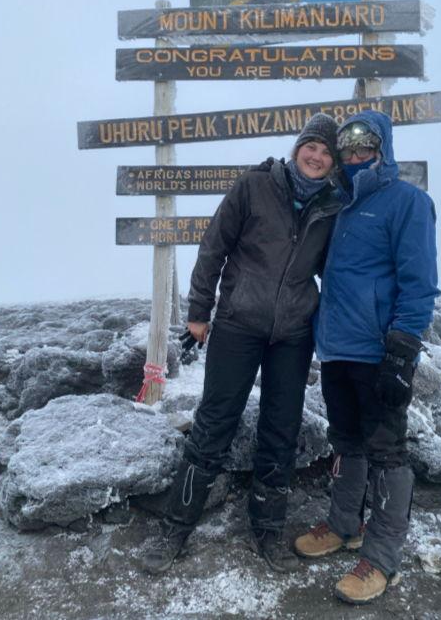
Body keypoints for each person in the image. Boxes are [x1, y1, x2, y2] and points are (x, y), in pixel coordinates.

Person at [141, 114, 343, 575]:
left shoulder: (333, 207)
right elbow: (214, 245)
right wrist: (198, 312)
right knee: (214, 423)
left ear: (333, 164)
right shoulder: (254, 186)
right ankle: (176, 527)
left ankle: (268, 531)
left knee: (281, 428)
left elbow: (335, 271)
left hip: (293, 333)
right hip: (237, 323)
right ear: (298, 148)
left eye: (327, 153)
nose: (316, 157)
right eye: (311, 146)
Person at [293, 109, 440, 605]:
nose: (356, 156)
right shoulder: (339, 204)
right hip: (337, 349)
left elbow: (419, 283)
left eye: (365, 146)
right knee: (345, 441)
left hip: (380, 353)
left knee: (386, 451)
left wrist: (402, 349)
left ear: (383, 148)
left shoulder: (408, 202)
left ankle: (382, 557)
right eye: (348, 148)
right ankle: (343, 525)